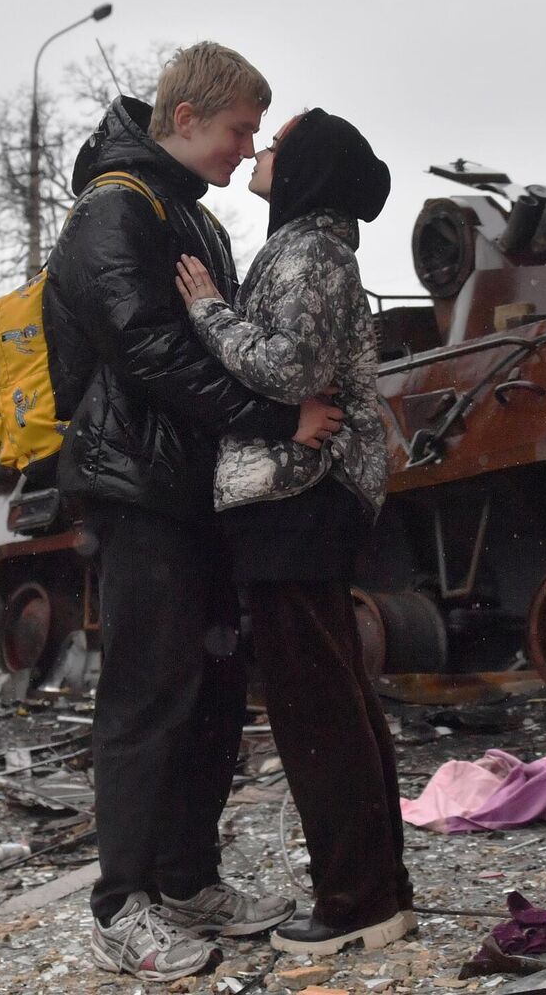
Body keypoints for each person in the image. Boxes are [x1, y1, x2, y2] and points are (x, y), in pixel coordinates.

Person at [42, 44, 347, 983]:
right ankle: (119, 905)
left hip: (197, 489)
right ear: (185, 119)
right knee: (145, 699)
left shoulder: (187, 216)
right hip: (140, 492)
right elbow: (152, 355)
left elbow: (221, 346)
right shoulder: (115, 211)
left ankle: (186, 878)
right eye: (239, 131)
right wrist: (277, 421)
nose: (246, 148)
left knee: (211, 693)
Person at [172, 108, 414, 955]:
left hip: (299, 494)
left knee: (316, 712)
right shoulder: (312, 248)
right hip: (306, 498)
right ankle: (378, 888)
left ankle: (354, 903)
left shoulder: (308, 253)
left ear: (307, 168)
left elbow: (289, 371)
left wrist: (207, 310)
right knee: (339, 700)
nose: (261, 151)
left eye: (278, 145)